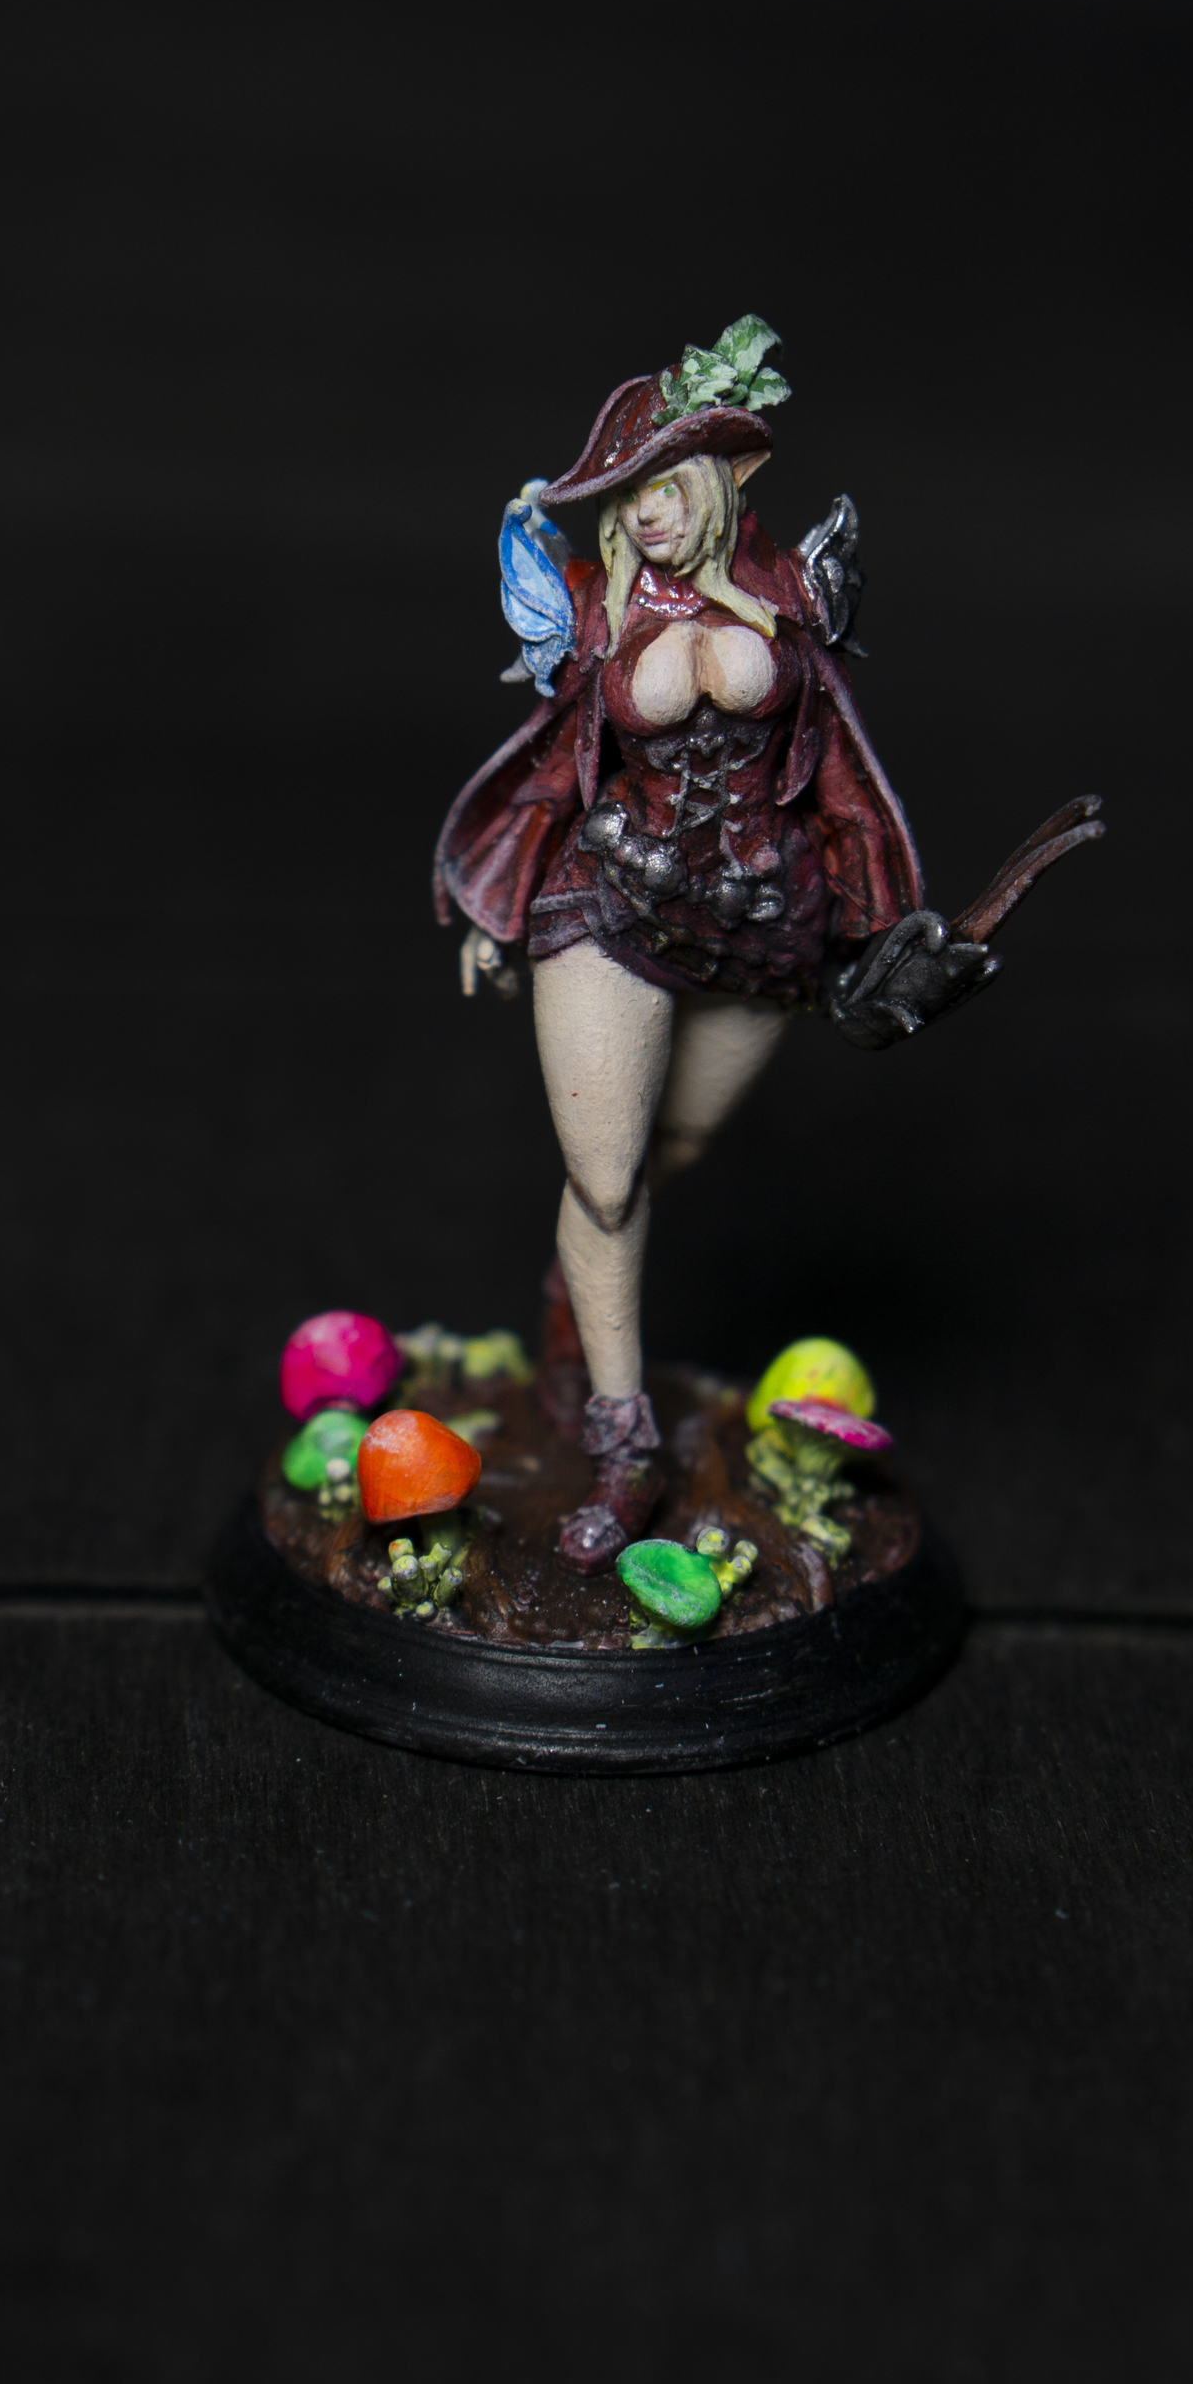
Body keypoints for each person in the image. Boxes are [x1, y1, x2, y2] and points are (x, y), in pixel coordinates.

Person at [434, 320, 938, 1570]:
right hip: (611, 899)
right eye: (628, 492)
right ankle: (624, 1446)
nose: (646, 512)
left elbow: (837, 767)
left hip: (767, 921)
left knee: (676, 1149)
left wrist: (877, 920)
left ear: (713, 484)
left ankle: (571, 1293)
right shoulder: (594, 608)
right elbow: (550, 764)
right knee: (607, 1183)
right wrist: (498, 908)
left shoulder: (789, 595)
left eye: (665, 485)